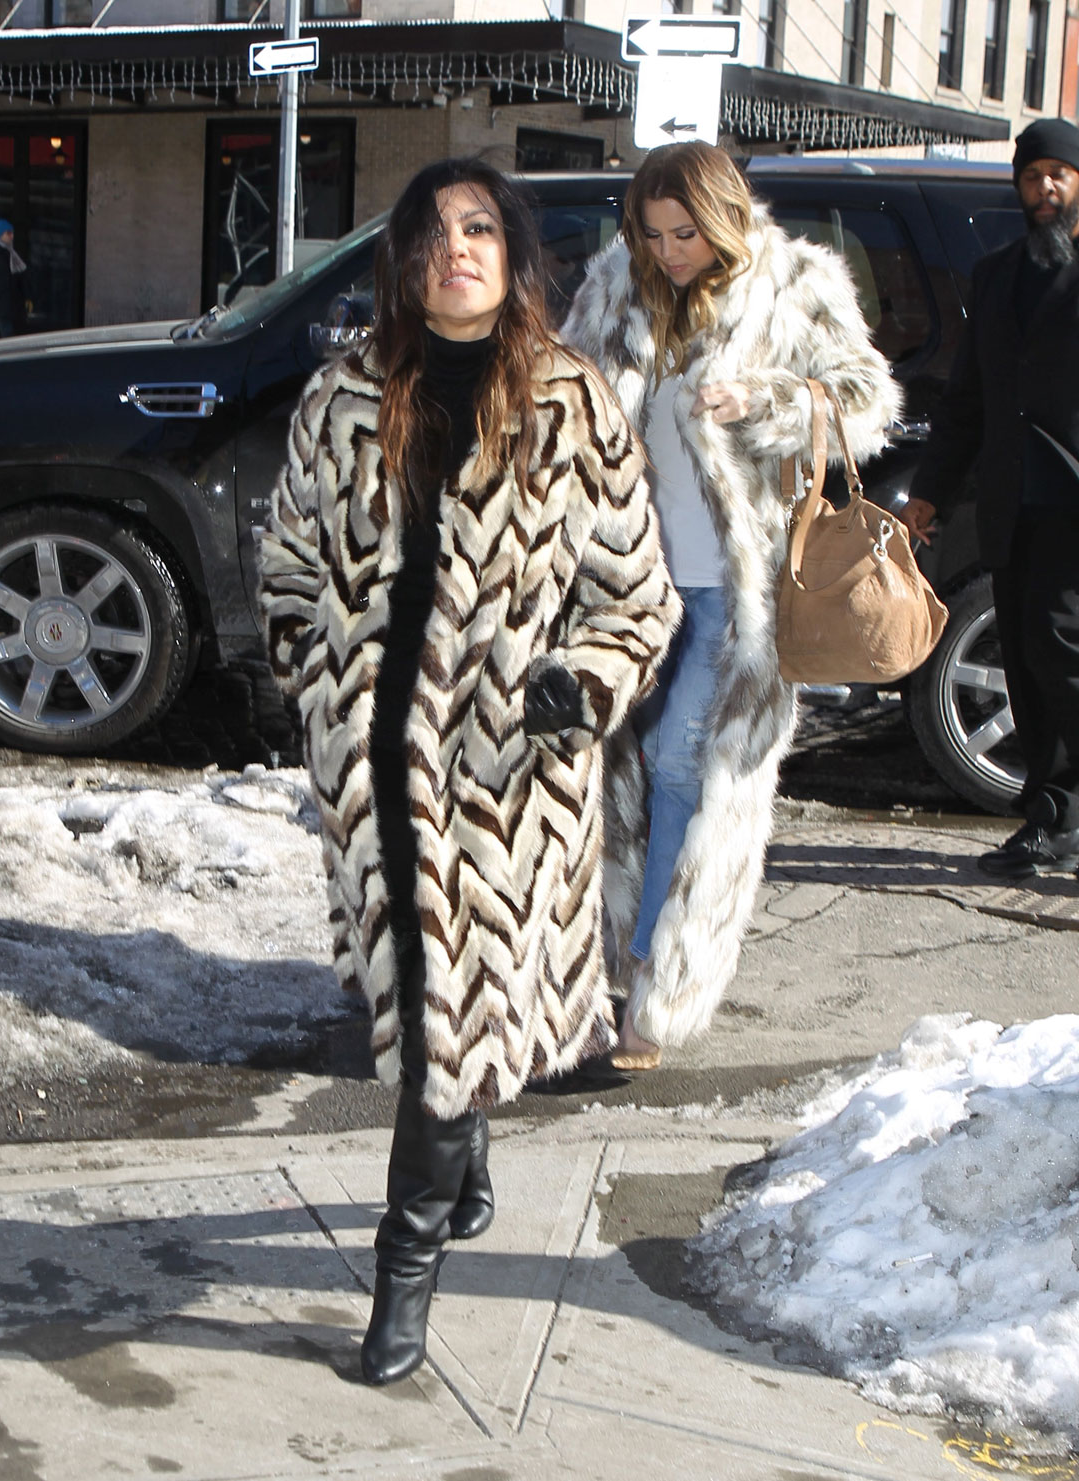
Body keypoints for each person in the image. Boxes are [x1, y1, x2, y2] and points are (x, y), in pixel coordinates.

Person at [258, 157, 678, 1386]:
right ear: (402, 260)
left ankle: (403, 1275)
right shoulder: (343, 398)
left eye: (481, 227)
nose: (458, 248)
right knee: (444, 1014)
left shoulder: (572, 401)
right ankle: (466, 1150)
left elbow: (638, 598)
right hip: (377, 773)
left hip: (507, 784)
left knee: (443, 1032)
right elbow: (287, 563)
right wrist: (314, 671)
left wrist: (582, 681)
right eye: (434, 232)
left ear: (514, 252)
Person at [563, 141, 900, 1069]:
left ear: (725, 217)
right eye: (654, 232)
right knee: (612, 772)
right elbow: (563, 403)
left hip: (729, 583)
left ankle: (651, 986)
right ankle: (595, 969)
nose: (671, 251)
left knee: (681, 766)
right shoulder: (614, 287)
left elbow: (867, 399)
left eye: (687, 233)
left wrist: (763, 399)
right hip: (622, 578)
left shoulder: (792, 281)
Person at [902, 119, 1079, 880]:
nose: (1046, 188)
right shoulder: (997, 273)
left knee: (1063, 653)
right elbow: (967, 402)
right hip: (1012, 503)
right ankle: (1049, 818)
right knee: (1028, 661)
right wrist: (929, 493)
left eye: (1060, 175)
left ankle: (1064, 814)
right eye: (1034, 175)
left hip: (1074, 502)